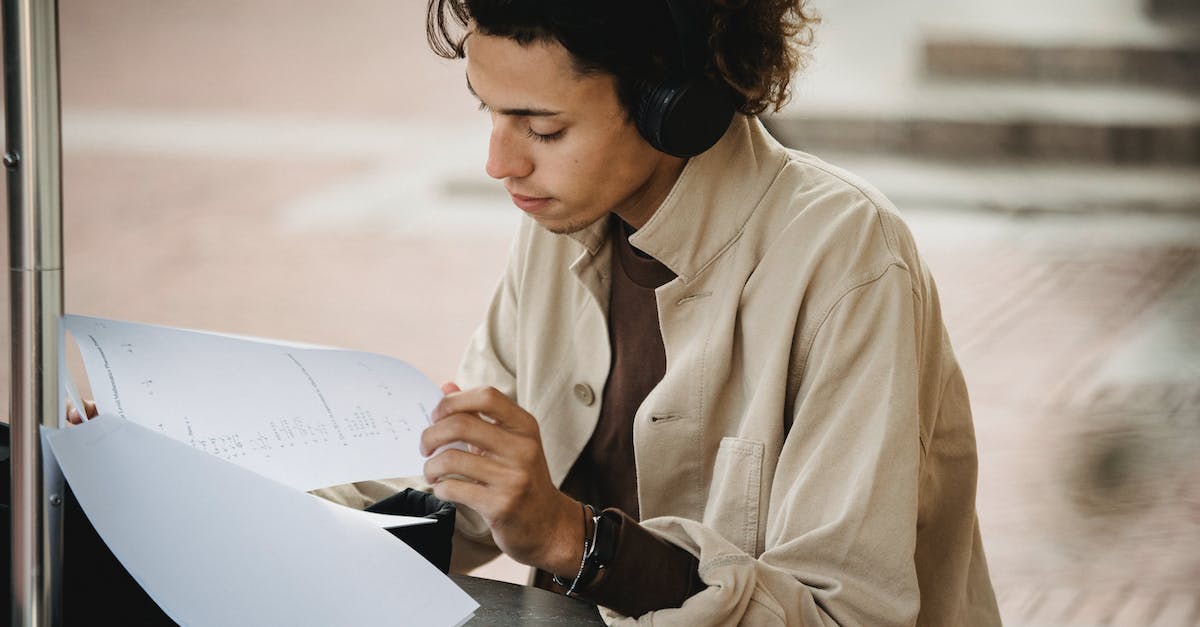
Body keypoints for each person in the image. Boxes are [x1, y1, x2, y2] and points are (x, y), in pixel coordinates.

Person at [66, 0, 999, 623]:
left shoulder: (848, 263)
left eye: (542, 128)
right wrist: (195, 490)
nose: (500, 163)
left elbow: (845, 613)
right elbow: (479, 509)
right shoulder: (558, 229)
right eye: (490, 114)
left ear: (680, 107)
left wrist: (569, 538)